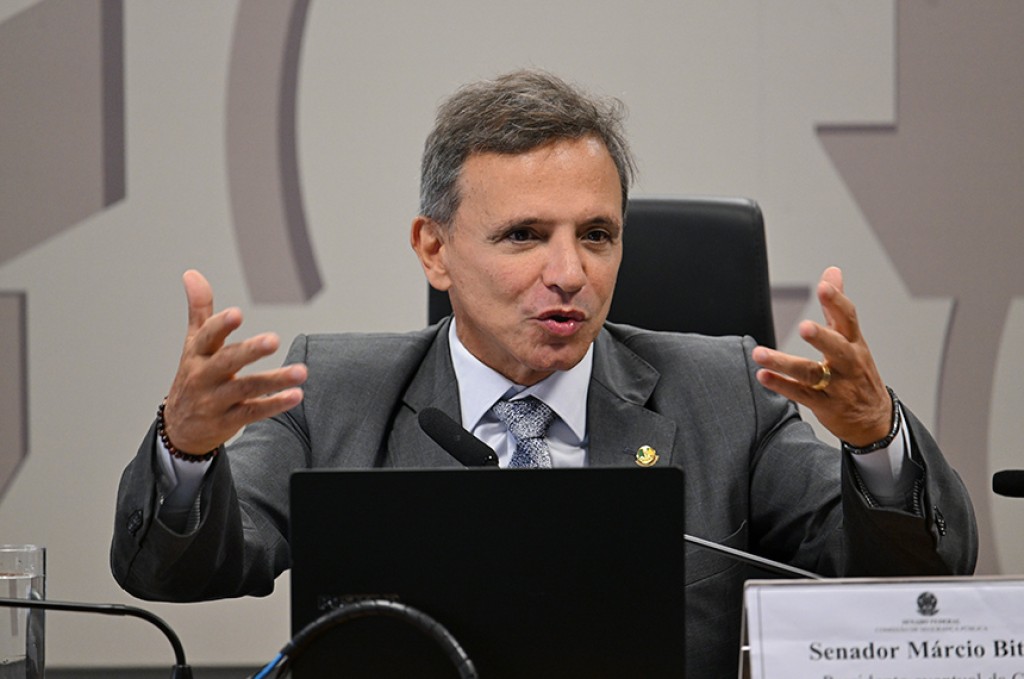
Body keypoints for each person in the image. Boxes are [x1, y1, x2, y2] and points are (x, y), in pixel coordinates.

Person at [111, 70, 977, 677]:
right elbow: (176, 571)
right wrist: (187, 452)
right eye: (524, 235)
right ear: (434, 249)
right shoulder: (333, 391)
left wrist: (876, 442)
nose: (569, 272)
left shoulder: (724, 395)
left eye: (596, 235)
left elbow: (909, 574)